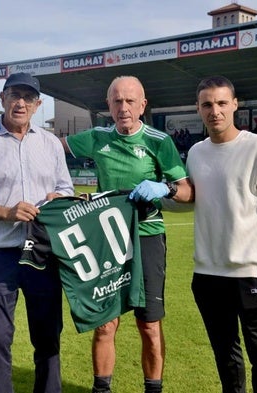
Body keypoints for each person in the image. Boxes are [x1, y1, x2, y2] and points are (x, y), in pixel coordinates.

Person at [61, 75, 193, 393]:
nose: (124, 107)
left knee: (148, 324)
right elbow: (52, 149)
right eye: (117, 101)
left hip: (147, 237)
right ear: (108, 105)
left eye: (130, 101)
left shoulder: (159, 142)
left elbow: (188, 192)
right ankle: (101, 390)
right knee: (105, 322)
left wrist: (166, 187)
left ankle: (153, 389)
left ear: (142, 105)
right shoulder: (96, 137)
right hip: (107, 239)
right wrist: (16, 132)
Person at [0, 72, 74, 393]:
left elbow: (64, 187)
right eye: (15, 95)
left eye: (28, 97)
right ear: (2, 99)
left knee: (48, 335)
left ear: (38, 105)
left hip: (42, 251)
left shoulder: (50, 143)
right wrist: (7, 212)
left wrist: (60, 197)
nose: (20, 103)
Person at [186, 76, 257, 393]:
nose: (215, 111)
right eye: (207, 104)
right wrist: (162, 194)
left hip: (251, 273)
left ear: (235, 104)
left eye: (222, 103)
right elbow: (196, 199)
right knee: (225, 354)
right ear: (198, 109)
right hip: (207, 274)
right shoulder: (196, 152)